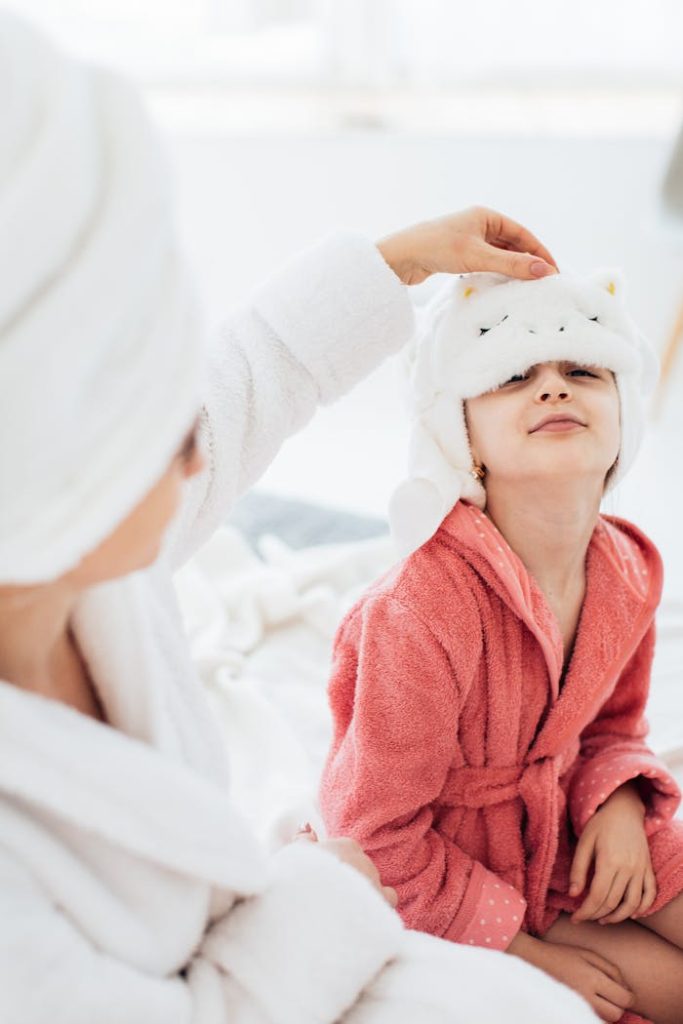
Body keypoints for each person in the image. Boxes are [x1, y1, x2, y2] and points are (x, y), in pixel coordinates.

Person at [0, 12, 601, 1024]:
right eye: (153, 435)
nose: (195, 448)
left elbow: (236, 388)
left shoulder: (73, 551)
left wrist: (390, 264)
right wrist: (335, 891)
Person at [319, 269, 683, 1024]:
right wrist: (528, 956)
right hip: (458, 865)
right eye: (513, 376)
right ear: (463, 439)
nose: (552, 388)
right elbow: (375, 835)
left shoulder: (627, 569)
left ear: (623, 419)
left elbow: (612, 728)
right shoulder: (419, 609)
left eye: (581, 370)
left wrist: (618, 798)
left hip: (573, 828)